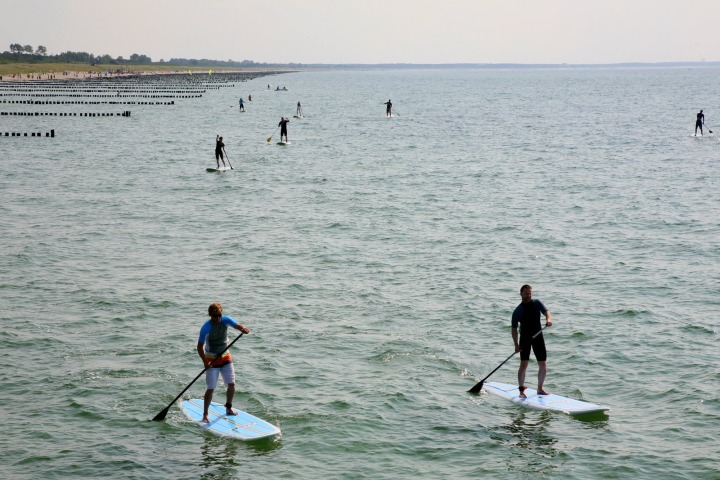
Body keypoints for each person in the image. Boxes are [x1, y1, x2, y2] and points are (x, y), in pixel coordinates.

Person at [197, 302, 250, 423]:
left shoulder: (225, 320)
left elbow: (236, 325)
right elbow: (199, 347)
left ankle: (228, 408)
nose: (217, 318)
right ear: (210, 315)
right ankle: (205, 414)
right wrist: (205, 362)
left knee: (231, 384)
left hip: (225, 355)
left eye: (219, 315)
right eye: (215, 316)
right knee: (211, 388)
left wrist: (243, 329)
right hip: (211, 358)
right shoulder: (206, 327)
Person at [511, 284, 553, 398]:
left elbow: (546, 312)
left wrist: (549, 319)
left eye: (530, 293)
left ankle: (540, 388)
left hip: (538, 337)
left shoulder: (537, 303)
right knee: (524, 364)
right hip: (525, 339)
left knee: (543, 363)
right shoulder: (517, 311)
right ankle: (521, 390)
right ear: (521, 294)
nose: (528, 295)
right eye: (526, 293)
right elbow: (514, 329)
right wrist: (516, 344)